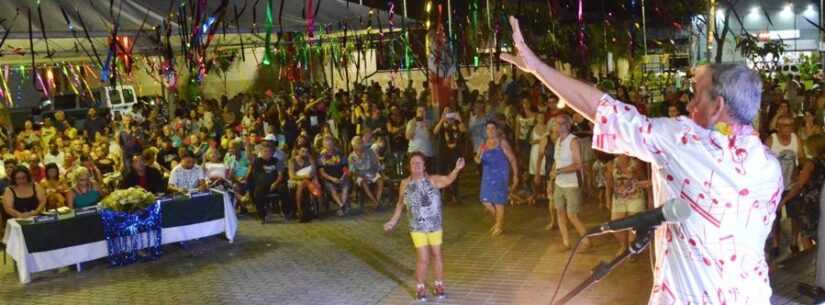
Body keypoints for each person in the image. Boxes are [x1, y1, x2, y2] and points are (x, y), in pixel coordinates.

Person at [502, 16, 782, 304]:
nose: (688, 105)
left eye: (695, 96)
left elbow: (605, 112)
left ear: (718, 106)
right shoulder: (770, 166)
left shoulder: (686, 143)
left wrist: (537, 68)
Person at [383, 152, 465, 302]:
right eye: (413, 163)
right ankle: (420, 287)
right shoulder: (405, 183)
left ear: (424, 165)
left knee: (437, 255)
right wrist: (392, 221)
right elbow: (400, 204)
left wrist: (456, 169)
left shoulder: (432, 180)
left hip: (434, 226)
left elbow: (448, 180)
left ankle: (439, 285)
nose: (417, 166)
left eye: (419, 163)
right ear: (409, 166)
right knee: (423, 259)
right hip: (417, 227)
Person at [548, 114, 589, 250]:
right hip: (559, 183)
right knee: (559, 212)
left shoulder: (573, 141)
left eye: (561, 123)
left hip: (572, 183)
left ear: (568, 125)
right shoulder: (558, 141)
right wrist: (551, 180)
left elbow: (578, 165)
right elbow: (556, 161)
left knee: (572, 215)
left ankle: (586, 241)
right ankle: (566, 242)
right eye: (556, 123)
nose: (558, 126)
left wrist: (559, 171)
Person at [475, 120, 518, 236]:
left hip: (500, 175)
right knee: (485, 201)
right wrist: (478, 159)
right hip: (487, 176)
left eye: (492, 128)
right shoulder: (483, 145)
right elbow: (477, 158)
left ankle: (499, 226)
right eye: (488, 129)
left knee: (498, 201)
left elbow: (512, 159)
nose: (490, 131)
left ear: (497, 130)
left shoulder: (502, 142)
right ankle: (499, 221)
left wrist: (515, 175)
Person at [605, 154, 650, 257]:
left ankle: (630, 250)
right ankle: (624, 246)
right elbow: (608, 182)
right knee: (615, 226)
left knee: (633, 227)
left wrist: (650, 198)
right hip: (618, 199)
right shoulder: (611, 164)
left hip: (636, 197)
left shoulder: (636, 163)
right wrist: (607, 198)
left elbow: (644, 180)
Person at [248, 142, 288, 224]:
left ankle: (286, 212)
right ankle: (262, 215)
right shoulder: (257, 161)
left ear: (272, 153)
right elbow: (258, 175)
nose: (266, 153)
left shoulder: (277, 161)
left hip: (275, 184)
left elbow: (280, 175)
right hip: (262, 185)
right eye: (264, 151)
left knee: (284, 188)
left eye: (269, 151)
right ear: (261, 152)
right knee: (258, 192)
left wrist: (275, 183)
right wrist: (247, 146)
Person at [349, 136, 384, 209]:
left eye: (361, 143)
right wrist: (361, 175)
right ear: (354, 146)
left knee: (380, 181)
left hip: (372, 172)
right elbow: (352, 170)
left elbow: (376, 163)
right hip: (360, 175)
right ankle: (375, 201)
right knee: (364, 183)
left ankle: (377, 201)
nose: (361, 145)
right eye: (358, 144)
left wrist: (379, 172)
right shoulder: (351, 157)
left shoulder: (370, 152)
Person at [318, 136, 350, 216]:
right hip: (329, 179)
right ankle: (342, 206)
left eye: (330, 144)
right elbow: (322, 172)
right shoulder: (321, 156)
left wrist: (343, 177)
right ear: (324, 145)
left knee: (345, 186)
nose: (329, 146)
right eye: (327, 144)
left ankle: (341, 208)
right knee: (332, 189)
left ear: (333, 144)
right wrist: (332, 179)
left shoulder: (340, 153)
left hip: (341, 177)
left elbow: (346, 168)